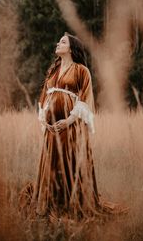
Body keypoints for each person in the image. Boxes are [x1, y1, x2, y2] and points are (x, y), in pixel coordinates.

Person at [19, 32, 124, 220]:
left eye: (63, 41)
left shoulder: (81, 71)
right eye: (59, 40)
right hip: (52, 130)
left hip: (71, 127)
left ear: (71, 48)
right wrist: (44, 120)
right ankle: (51, 203)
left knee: (70, 162)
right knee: (53, 164)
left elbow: (85, 98)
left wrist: (68, 120)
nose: (58, 43)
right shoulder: (53, 70)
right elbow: (44, 98)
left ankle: (72, 204)